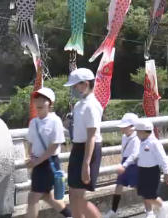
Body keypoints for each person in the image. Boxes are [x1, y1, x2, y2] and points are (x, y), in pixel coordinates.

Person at [25, 88, 72, 218]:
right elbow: (31, 142)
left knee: (33, 197)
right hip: (37, 163)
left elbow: (54, 146)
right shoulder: (33, 122)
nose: (38, 103)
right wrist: (31, 157)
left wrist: (37, 161)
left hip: (48, 163)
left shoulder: (55, 121)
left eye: (43, 100)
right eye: (36, 100)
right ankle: (69, 215)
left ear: (50, 104)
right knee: (47, 196)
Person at [64, 68, 104, 218]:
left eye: (75, 85)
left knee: (79, 198)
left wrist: (86, 164)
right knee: (73, 195)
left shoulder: (92, 106)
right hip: (77, 148)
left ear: (85, 84)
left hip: (89, 150)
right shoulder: (79, 105)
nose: (73, 89)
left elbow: (91, 136)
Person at [127, 119, 168, 218]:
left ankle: (164, 205)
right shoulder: (139, 142)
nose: (136, 133)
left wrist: (166, 173)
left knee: (150, 195)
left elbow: (163, 158)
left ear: (143, 132)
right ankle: (150, 212)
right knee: (143, 192)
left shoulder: (154, 143)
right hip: (141, 170)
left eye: (137, 131)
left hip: (152, 171)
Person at [104, 113, 140, 218]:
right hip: (125, 162)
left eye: (125, 127)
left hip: (133, 164)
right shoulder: (125, 137)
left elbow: (134, 154)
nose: (122, 129)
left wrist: (124, 165)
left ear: (132, 127)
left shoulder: (136, 138)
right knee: (119, 185)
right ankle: (113, 210)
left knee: (139, 188)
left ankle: (157, 205)